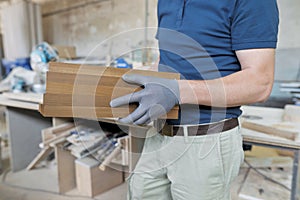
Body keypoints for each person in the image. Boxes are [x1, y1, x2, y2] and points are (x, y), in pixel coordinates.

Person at [110, 0, 279, 199]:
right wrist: (131, 83)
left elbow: (259, 83)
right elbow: (166, 59)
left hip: (207, 139)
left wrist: (178, 91)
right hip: (158, 133)